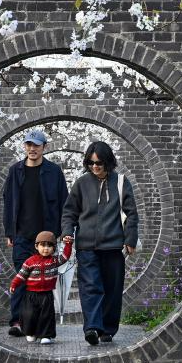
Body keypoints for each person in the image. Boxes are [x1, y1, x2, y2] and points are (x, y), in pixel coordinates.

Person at [61, 141, 138, 346]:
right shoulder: (81, 183)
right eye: (91, 163)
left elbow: (131, 213)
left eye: (99, 163)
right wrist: (67, 232)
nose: (95, 167)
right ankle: (92, 328)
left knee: (112, 290)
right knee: (90, 287)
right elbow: (69, 212)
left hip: (113, 247)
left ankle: (108, 329)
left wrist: (130, 239)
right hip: (86, 247)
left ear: (108, 162)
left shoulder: (121, 182)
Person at [2, 129, 69, 337]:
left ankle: (39, 323)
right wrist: (9, 232)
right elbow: (9, 202)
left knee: (42, 283)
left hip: (47, 238)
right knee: (22, 278)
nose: (32, 148)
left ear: (43, 147)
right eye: (29, 144)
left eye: (36, 145)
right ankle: (17, 322)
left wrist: (61, 231)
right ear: (25, 146)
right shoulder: (15, 171)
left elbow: (64, 202)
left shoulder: (54, 171)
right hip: (22, 235)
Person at [8, 231, 74, 344]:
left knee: (46, 316)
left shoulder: (54, 261)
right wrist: (14, 284)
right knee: (30, 315)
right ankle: (30, 333)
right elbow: (21, 275)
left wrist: (68, 244)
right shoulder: (30, 262)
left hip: (46, 294)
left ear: (53, 248)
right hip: (31, 294)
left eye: (49, 246)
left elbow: (65, 257)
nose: (46, 249)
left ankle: (46, 335)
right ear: (36, 246)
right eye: (43, 245)